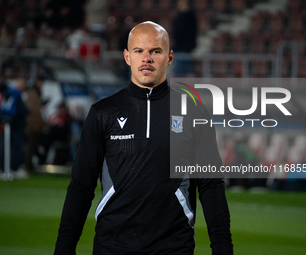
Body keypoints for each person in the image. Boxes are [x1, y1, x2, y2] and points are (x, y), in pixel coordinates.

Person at [54, 21, 233, 255]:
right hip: (112, 247)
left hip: (173, 248)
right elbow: (81, 186)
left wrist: (223, 249)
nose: (146, 58)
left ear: (169, 58)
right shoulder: (103, 112)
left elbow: (210, 185)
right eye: (139, 51)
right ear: (127, 57)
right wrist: (64, 248)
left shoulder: (195, 113)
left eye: (155, 51)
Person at [171, 0, 198, 77]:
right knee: (185, 67)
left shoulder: (188, 17)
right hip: (182, 47)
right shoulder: (182, 16)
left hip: (183, 47)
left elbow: (184, 32)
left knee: (181, 68)